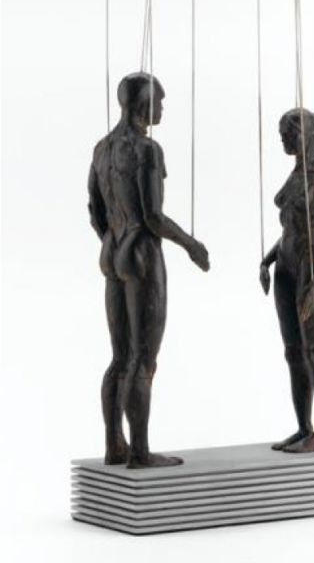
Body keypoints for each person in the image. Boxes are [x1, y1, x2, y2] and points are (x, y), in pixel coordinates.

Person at [88, 71, 209, 468]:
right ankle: (139, 451)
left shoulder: (102, 149)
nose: (162, 109)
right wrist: (191, 245)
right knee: (143, 360)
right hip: (141, 253)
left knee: (119, 358)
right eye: (159, 102)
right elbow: (153, 216)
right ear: (143, 104)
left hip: (113, 252)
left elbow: (94, 210)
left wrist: (113, 239)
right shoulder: (146, 150)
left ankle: (114, 445)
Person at [260, 109, 314, 452]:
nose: (283, 138)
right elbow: (289, 231)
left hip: (310, 266)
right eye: (281, 133)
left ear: (306, 135)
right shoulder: (295, 176)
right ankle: (303, 427)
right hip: (285, 266)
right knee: (293, 352)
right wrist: (267, 260)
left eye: (289, 133)